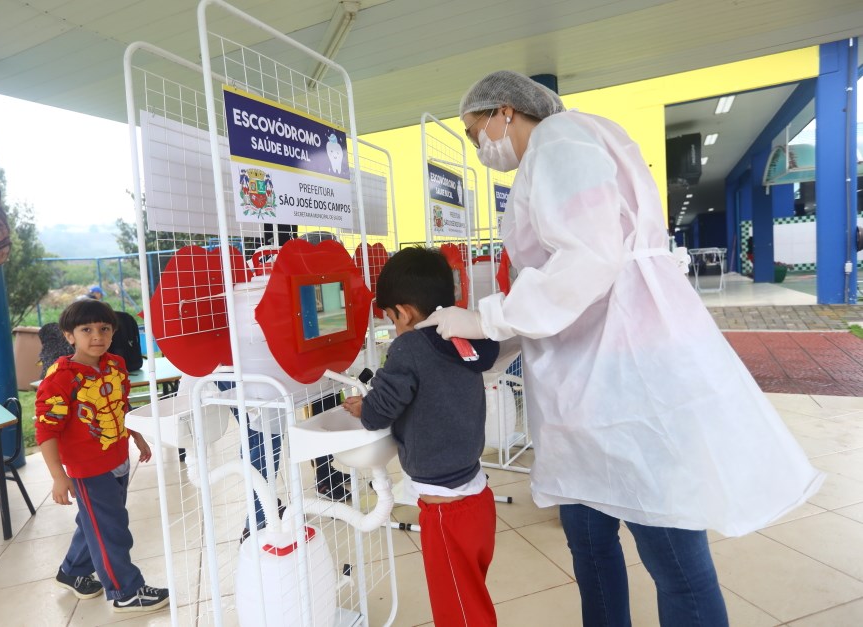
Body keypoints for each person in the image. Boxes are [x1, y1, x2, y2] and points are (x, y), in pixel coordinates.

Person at [418, 70, 824, 626]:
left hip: (626, 381)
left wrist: (488, 317)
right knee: (592, 546)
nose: (479, 147)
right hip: (589, 381)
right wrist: (499, 343)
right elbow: (566, 279)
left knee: (672, 554)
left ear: (505, 111)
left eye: (474, 132)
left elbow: (588, 258)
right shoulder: (572, 146)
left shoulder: (560, 139)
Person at [342, 246, 500, 626]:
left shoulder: (409, 346)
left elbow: (379, 412)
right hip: (477, 499)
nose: (394, 327)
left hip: (447, 514)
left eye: (392, 318)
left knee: (460, 615)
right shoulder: (465, 340)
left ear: (406, 312)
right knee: (471, 599)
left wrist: (367, 405)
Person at [35, 299, 170, 613]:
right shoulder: (60, 378)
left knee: (95, 521)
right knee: (110, 527)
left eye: (104, 328)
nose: (97, 336)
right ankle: (126, 591)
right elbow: (46, 431)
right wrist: (59, 476)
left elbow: (121, 406)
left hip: (117, 458)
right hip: (87, 468)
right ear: (69, 336)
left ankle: (72, 570)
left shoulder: (115, 364)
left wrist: (136, 435)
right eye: (86, 330)